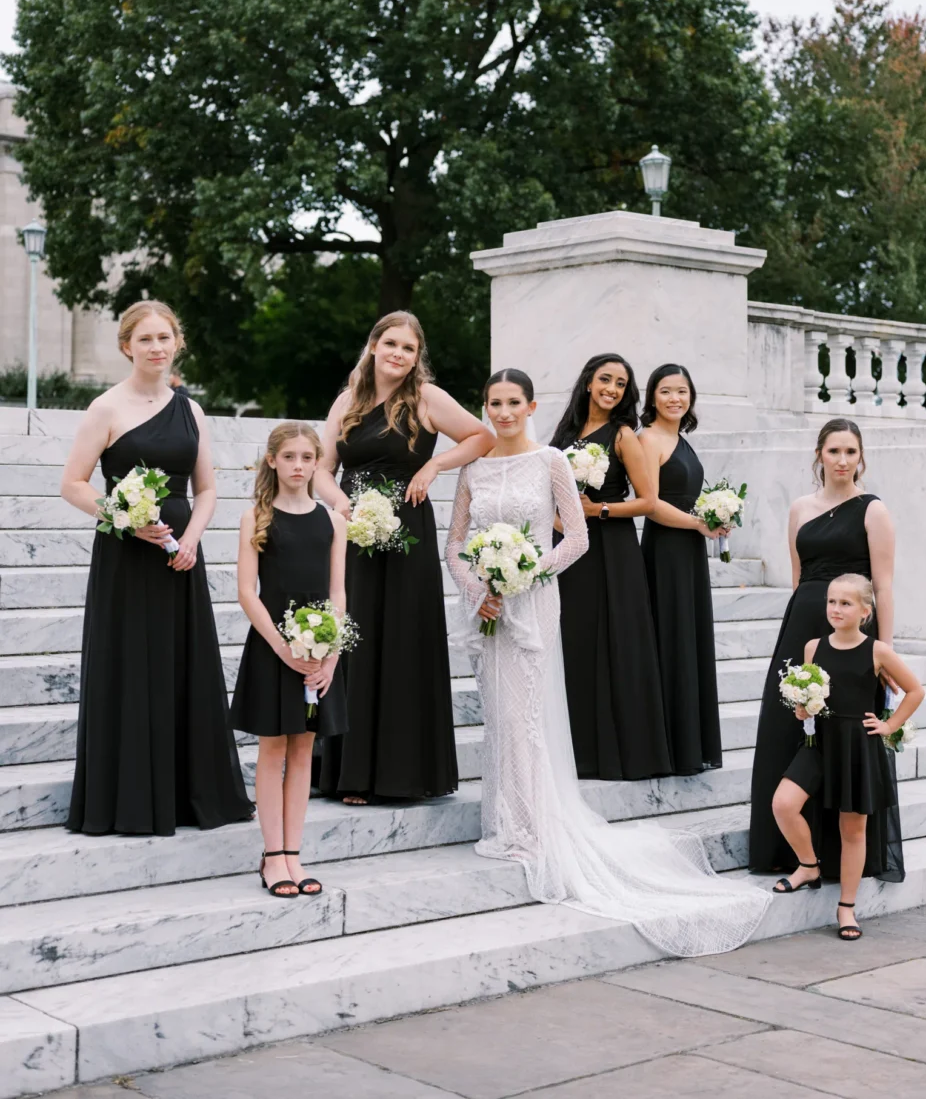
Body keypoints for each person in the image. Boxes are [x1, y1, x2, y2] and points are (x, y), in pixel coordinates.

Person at [445, 368, 771, 958]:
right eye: (493, 403)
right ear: (485, 407)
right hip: (488, 606)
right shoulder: (473, 469)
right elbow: (453, 546)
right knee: (497, 713)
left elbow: (575, 539)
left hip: (534, 598)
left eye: (513, 402)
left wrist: (525, 573)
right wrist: (479, 587)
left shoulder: (551, 463)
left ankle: (535, 825)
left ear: (531, 405)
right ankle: (506, 822)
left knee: (526, 714)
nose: (503, 412)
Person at [61, 301, 253, 836]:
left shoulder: (190, 411)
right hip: (125, 558)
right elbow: (73, 483)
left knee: (180, 666)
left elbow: (207, 489)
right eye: (145, 339)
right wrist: (121, 518)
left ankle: (188, 795)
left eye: (164, 338)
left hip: (179, 558)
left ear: (177, 342)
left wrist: (191, 538)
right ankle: (129, 800)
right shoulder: (105, 408)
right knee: (130, 664)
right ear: (127, 346)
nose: (156, 347)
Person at [312, 311, 495, 804]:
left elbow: (483, 436)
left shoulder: (427, 398)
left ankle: (405, 773)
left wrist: (435, 463)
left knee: (402, 639)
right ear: (373, 345)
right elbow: (322, 469)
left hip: (407, 527)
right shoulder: (347, 401)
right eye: (390, 343)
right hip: (354, 531)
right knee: (357, 641)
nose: (398, 354)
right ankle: (352, 773)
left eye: (408, 348)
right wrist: (340, 501)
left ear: (417, 357)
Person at [748, 418, 900, 878]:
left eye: (850, 452)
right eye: (834, 451)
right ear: (819, 455)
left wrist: (883, 652)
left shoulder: (873, 510)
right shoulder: (799, 508)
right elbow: (799, 580)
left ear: (861, 458)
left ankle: (840, 857)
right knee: (788, 728)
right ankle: (787, 850)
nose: (842, 460)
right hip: (801, 631)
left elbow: (884, 586)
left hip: (852, 638)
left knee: (842, 736)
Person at [231, 422, 348, 898]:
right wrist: (283, 647)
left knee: (304, 750)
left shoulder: (333, 520)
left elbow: (338, 591)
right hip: (272, 648)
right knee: (273, 749)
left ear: (317, 463)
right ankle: (272, 856)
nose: (299, 466)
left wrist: (330, 657)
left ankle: (294, 854)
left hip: (319, 653)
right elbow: (246, 592)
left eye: (307, 458)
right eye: (290, 457)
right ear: (272, 461)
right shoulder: (255, 517)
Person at [772, 574, 923, 939]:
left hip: (856, 746)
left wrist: (889, 727)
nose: (836, 609)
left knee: (852, 829)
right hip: (818, 742)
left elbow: (915, 690)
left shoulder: (877, 651)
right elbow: (806, 697)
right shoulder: (812, 647)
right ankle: (809, 866)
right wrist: (802, 709)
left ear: (865, 612)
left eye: (845, 603)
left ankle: (847, 907)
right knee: (783, 804)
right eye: (831, 602)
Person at [549, 354, 671, 780]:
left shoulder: (623, 435)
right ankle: (578, 752)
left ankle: (622, 753)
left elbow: (648, 501)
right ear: (588, 383)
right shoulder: (564, 433)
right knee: (576, 640)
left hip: (613, 548)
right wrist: (558, 521)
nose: (612, 389)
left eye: (621, 383)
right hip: (570, 549)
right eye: (605, 379)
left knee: (616, 641)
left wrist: (597, 509)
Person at [638, 364, 724, 775]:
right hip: (666, 550)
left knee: (690, 638)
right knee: (671, 637)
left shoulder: (680, 439)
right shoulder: (648, 438)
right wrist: (696, 523)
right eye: (667, 391)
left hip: (690, 549)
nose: (675, 398)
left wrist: (712, 516)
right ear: (652, 396)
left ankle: (694, 743)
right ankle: (672, 746)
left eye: (683, 391)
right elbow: (650, 503)